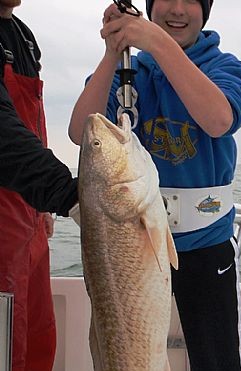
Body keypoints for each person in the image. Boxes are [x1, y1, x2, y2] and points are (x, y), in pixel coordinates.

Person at [69, 0, 241, 370]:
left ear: (206, 10)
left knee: (218, 360)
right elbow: (80, 131)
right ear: (150, 6)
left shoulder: (223, 67)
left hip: (207, 241)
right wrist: (113, 52)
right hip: (131, 241)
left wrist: (156, 42)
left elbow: (219, 120)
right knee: (128, 344)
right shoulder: (129, 72)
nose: (178, 10)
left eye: (191, 0)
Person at [0, 1, 78, 370]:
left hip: (30, 214)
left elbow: (29, 123)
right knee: (6, 346)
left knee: (38, 337)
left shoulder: (23, 36)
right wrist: (68, 195)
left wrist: (43, 205)